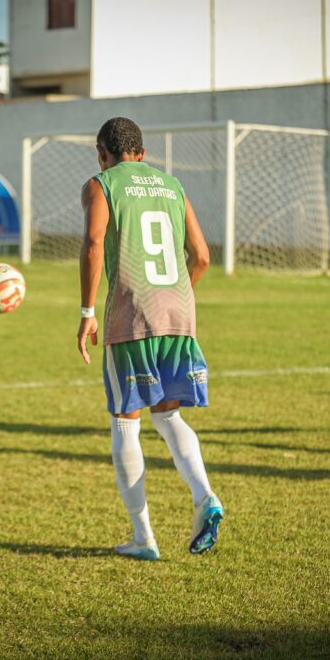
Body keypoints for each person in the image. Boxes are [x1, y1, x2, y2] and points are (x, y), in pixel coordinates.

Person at [77, 117, 223, 561]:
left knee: (126, 419)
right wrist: (175, 297)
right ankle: (204, 497)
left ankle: (143, 539)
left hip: (133, 315)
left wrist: (87, 312)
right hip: (179, 313)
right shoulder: (172, 186)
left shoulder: (101, 184)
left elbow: (93, 243)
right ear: (141, 152)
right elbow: (201, 256)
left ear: (104, 153)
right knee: (168, 416)